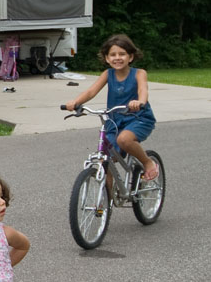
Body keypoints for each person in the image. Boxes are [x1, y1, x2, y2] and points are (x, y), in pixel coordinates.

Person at [64, 33, 158, 180]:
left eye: (122, 54)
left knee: (124, 140)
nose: (117, 58)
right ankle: (106, 200)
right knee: (104, 161)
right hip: (114, 122)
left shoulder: (139, 73)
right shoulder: (108, 74)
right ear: (107, 58)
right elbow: (91, 91)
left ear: (130, 57)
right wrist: (75, 102)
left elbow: (142, 90)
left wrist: (140, 102)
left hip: (138, 117)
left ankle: (147, 162)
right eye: (112, 55)